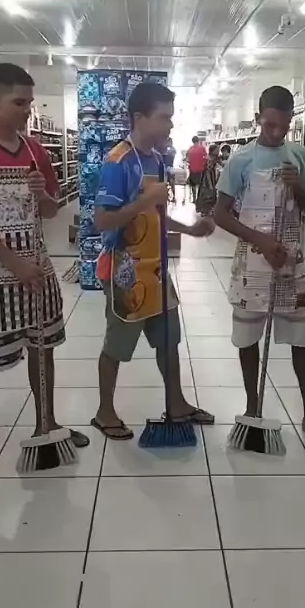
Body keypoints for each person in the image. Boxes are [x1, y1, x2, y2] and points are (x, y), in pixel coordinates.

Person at [0, 63, 89, 475]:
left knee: (43, 348)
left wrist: (43, 194)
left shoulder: (36, 152)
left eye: (30, 102)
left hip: (38, 268)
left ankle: (47, 422)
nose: (28, 110)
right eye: (20, 102)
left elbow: (50, 210)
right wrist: (14, 263)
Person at [214, 85, 305, 449]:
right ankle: (252, 408)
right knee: (248, 340)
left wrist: (298, 188)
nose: (277, 133)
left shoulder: (299, 156)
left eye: (284, 126)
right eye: (270, 125)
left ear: (292, 120)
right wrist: (259, 240)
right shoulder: (241, 160)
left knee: (302, 340)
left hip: (290, 264)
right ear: (258, 117)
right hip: (252, 263)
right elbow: (220, 215)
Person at [92, 82, 215, 440]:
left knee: (168, 339)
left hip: (157, 268)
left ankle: (176, 403)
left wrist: (189, 229)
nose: (170, 125)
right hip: (124, 270)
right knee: (117, 346)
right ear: (139, 117)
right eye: (164, 118)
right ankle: (104, 411)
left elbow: (157, 216)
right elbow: (103, 221)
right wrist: (145, 201)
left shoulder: (158, 161)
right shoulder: (117, 162)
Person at [196, 143, 221, 217]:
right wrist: (210, 184)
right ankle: (205, 210)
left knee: (210, 194)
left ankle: (208, 209)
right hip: (207, 180)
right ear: (212, 150)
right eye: (217, 149)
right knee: (207, 194)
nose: (218, 151)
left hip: (211, 178)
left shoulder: (214, 158)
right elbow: (207, 172)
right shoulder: (209, 159)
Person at [186, 136, 207, 204]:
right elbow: (206, 157)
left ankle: (194, 198)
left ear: (192, 141)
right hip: (201, 169)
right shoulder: (202, 148)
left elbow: (187, 159)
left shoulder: (190, 149)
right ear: (198, 141)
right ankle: (199, 198)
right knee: (200, 184)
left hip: (192, 169)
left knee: (193, 185)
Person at [162, 137, 177, 204]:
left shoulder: (165, 149)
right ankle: (173, 196)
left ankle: (167, 196)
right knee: (172, 183)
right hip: (170, 168)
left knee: (164, 183)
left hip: (166, 168)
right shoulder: (173, 149)